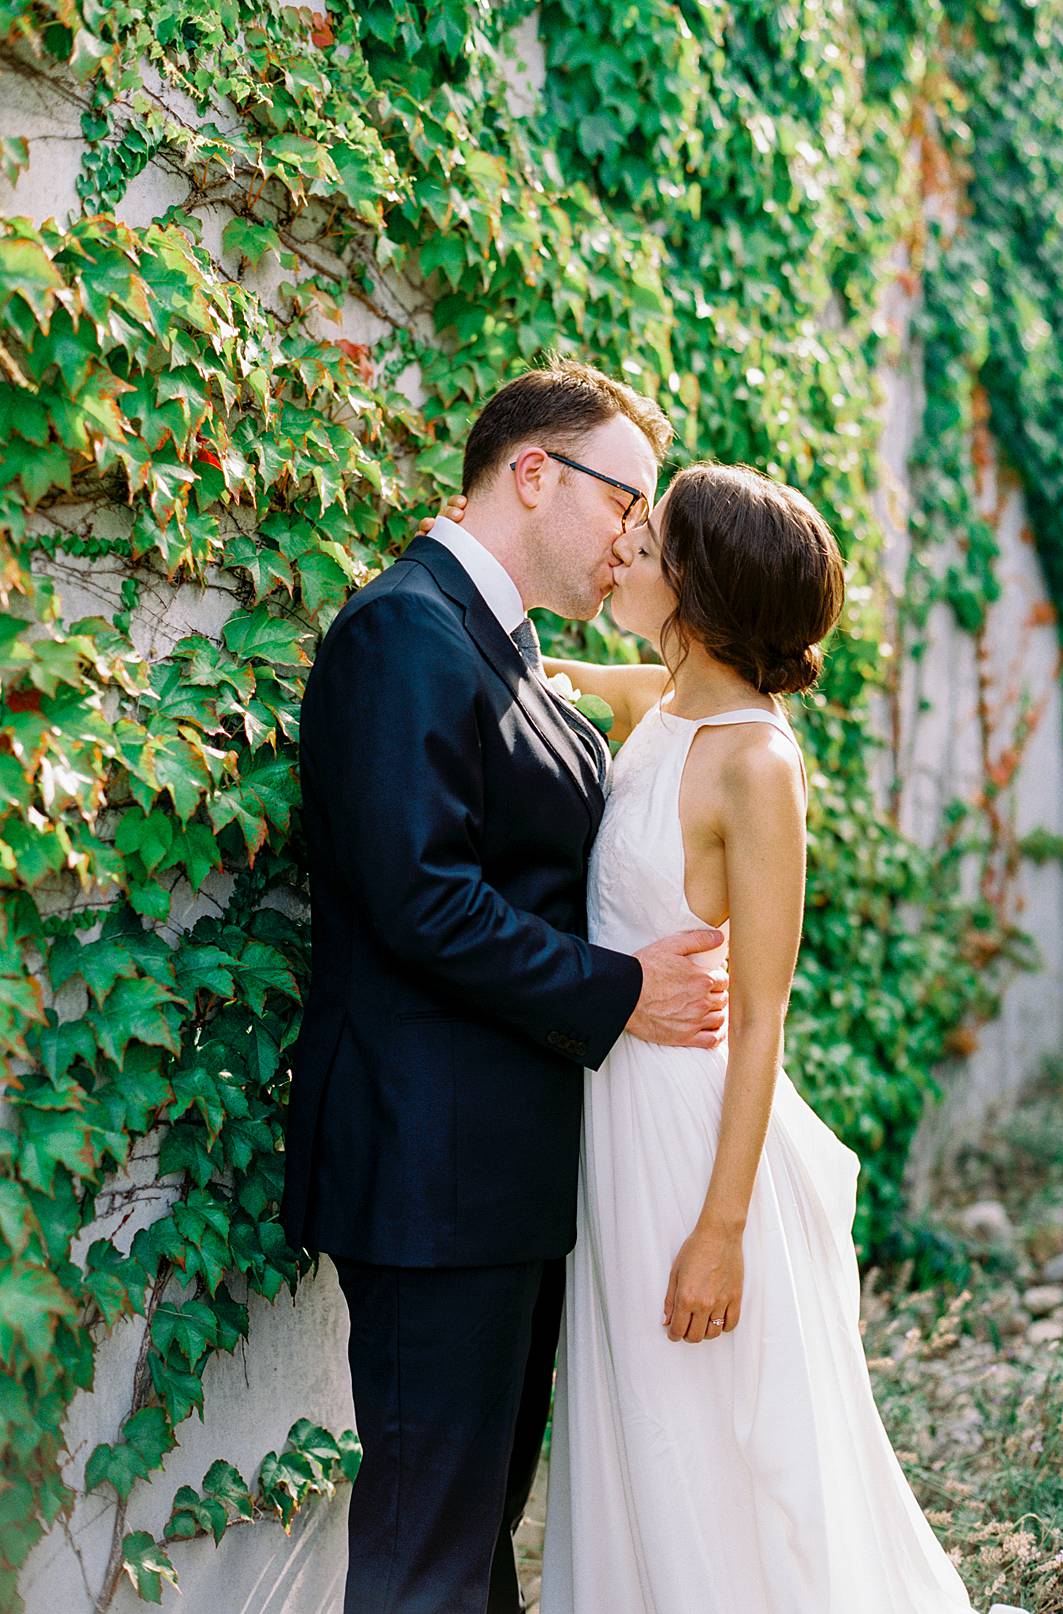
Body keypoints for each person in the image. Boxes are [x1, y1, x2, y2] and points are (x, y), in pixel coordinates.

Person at [433, 462, 1029, 1614]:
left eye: (647, 547)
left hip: (697, 1155)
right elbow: (535, 669)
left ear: (698, 598)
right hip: (614, 1130)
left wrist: (720, 1231)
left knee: (713, 1457)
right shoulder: (660, 705)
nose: (624, 554)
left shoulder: (755, 764)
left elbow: (762, 1019)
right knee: (637, 1439)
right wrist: (455, 564)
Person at [280, 360, 729, 1614]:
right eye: (624, 503)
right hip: (432, 1175)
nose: (633, 541)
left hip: (495, 1179)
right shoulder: (402, 632)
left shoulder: (508, 652)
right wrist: (616, 988)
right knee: (428, 1558)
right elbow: (417, 895)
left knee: (472, 1549)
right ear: (532, 473)